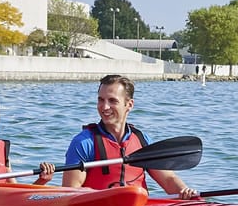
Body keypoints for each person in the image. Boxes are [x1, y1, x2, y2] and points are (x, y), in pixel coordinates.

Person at [62, 75, 197, 198]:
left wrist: (185, 192)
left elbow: (168, 180)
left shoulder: (142, 140)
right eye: (101, 100)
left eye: (112, 101)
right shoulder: (84, 142)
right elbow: (70, 192)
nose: (104, 107)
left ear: (129, 105)